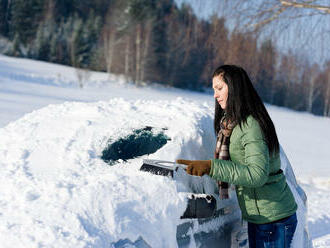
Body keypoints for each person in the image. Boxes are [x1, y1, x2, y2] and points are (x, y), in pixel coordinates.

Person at [176, 65, 298, 248]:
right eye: (213, 89)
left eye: (219, 88)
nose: (215, 95)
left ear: (234, 87)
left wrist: (212, 167)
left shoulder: (251, 125)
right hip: (261, 216)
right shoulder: (231, 125)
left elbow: (256, 174)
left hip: (274, 219)